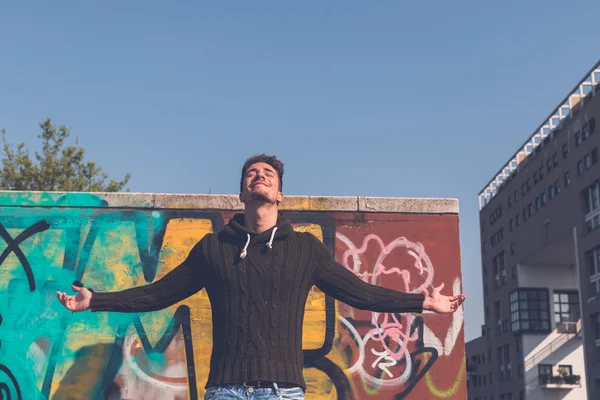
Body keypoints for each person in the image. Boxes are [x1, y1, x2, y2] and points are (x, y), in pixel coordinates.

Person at [57, 154, 466, 400]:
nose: (260, 175)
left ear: (281, 194)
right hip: (224, 390)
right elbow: (158, 294)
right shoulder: (213, 249)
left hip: (284, 391)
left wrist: (422, 302)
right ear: (241, 193)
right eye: (252, 172)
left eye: (268, 172)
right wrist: (96, 299)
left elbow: (359, 292)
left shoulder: (305, 250)